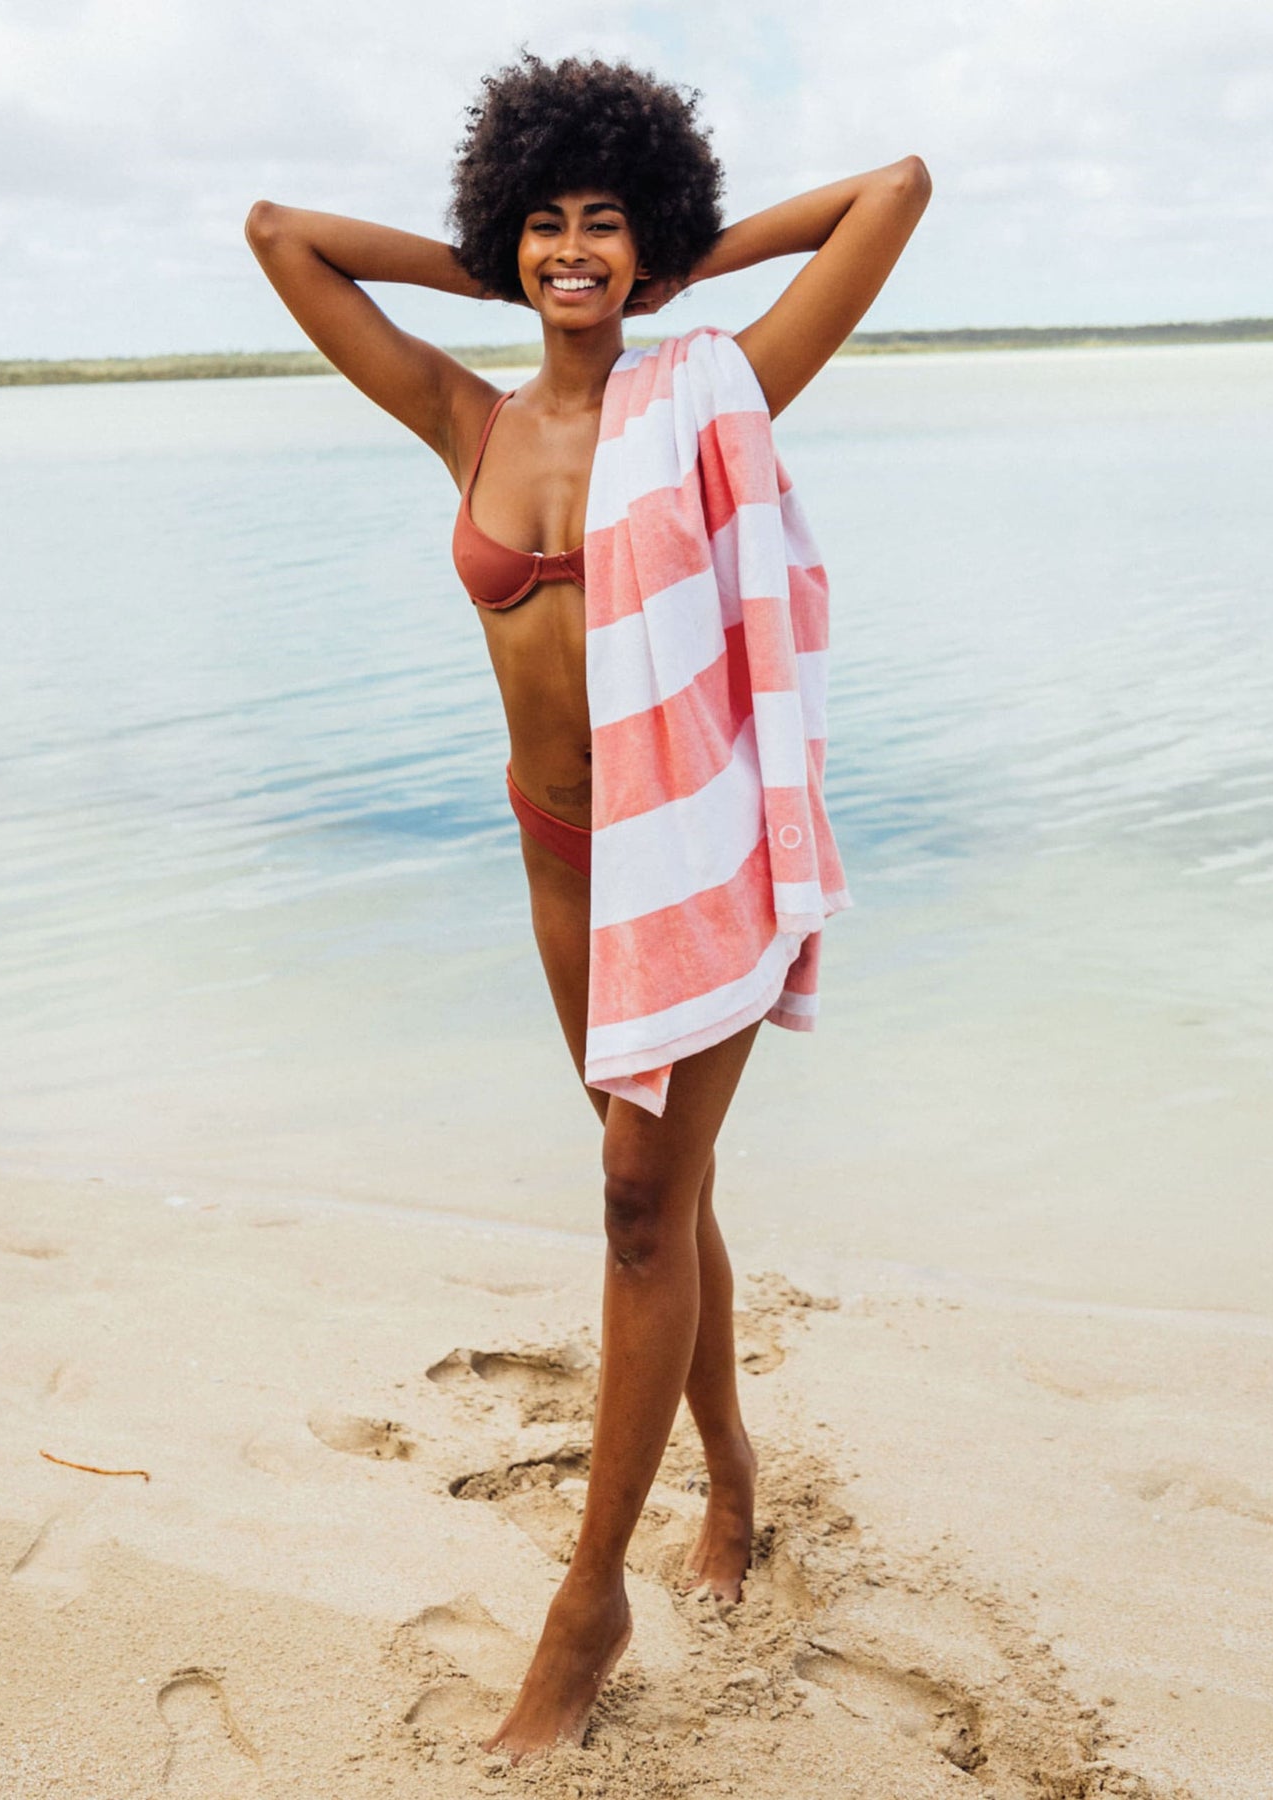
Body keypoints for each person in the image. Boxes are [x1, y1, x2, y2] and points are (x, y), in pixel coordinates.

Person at [245, 50, 931, 1766]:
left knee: (638, 1196)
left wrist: (693, 260)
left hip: (687, 856)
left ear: (652, 246)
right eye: (542, 222)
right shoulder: (464, 419)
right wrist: (481, 265)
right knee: (654, 1185)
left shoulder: (714, 383)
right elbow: (282, 235)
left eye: (601, 224)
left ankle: (588, 1604)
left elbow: (892, 190)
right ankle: (732, 1466)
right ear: (506, 236)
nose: (571, 250)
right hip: (557, 854)